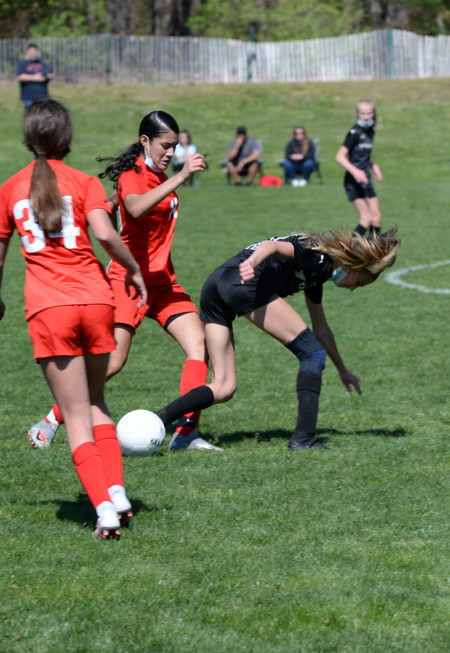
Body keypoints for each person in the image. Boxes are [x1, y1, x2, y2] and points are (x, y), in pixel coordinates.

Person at [28, 110, 223, 453]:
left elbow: (120, 205)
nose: (170, 153)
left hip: (162, 281)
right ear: (145, 141)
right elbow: (134, 207)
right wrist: (181, 176)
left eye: (175, 147)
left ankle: (186, 432)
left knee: (199, 346)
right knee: (113, 362)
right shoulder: (135, 173)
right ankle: (51, 419)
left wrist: (109, 204)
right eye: (165, 146)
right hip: (129, 282)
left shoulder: (154, 174)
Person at [0, 99, 147, 538]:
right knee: (97, 401)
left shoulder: (10, 188)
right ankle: (117, 492)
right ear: (67, 137)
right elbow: (105, 233)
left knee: (75, 413)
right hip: (97, 300)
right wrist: (133, 270)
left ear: (28, 137)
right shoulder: (85, 183)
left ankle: (104, 510)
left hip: (50, 309)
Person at [154, 229, 400, 450]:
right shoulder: (318, 257)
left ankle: (157, 420)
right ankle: (303, 438)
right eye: (359, 283)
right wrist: (252, 263)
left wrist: (343, 370)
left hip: (216, 285)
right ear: (355, 267)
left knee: (224, 387)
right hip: (245, 282)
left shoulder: (319, 273)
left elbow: (321, 328)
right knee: (312, 354)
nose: (353, 288)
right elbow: (273, 246)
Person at [335, 99, 383, 239]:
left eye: (369, 113)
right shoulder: (354, 132)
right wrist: (356, 171)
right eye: (363, 113)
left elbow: (362, 157)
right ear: (357, 114)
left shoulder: (370, 131)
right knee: (366, 218)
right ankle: (348, 248)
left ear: (373, 114)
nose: (366, 116)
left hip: (365, 177)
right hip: (353, 180)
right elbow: (339, 157)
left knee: (376, 217)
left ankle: (374, 248)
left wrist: (374, 167)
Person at [16, 43, 53, 109]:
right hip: (29, 96)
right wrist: (35, 77)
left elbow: (50, 74)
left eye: (35, 51)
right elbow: (20, 77)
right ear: (27, 52)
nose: (33, 53)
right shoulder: (22, 63)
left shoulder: (42, 63)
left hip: (43, 96)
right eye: (31, 51)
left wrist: (47, 76)